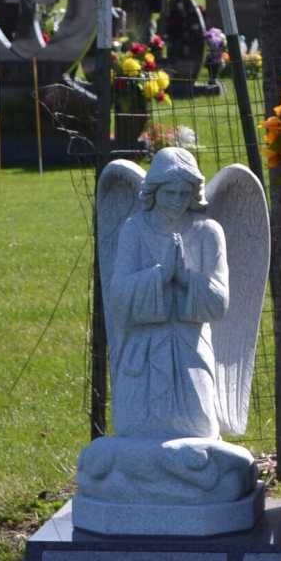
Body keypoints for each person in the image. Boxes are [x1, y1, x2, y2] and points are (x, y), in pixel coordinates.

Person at [105, 147, 232, 439]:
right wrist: (160, 275)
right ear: (154, 191)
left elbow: (219, 303)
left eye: (183, 194)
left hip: (190, 346)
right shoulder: (133, 230)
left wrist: (185, 277)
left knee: (200, 430)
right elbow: (119, 299)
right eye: (169, 193)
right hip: (144, 351)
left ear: (193, 193)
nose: (176, 202)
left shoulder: (208, 232)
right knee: (133, 432)